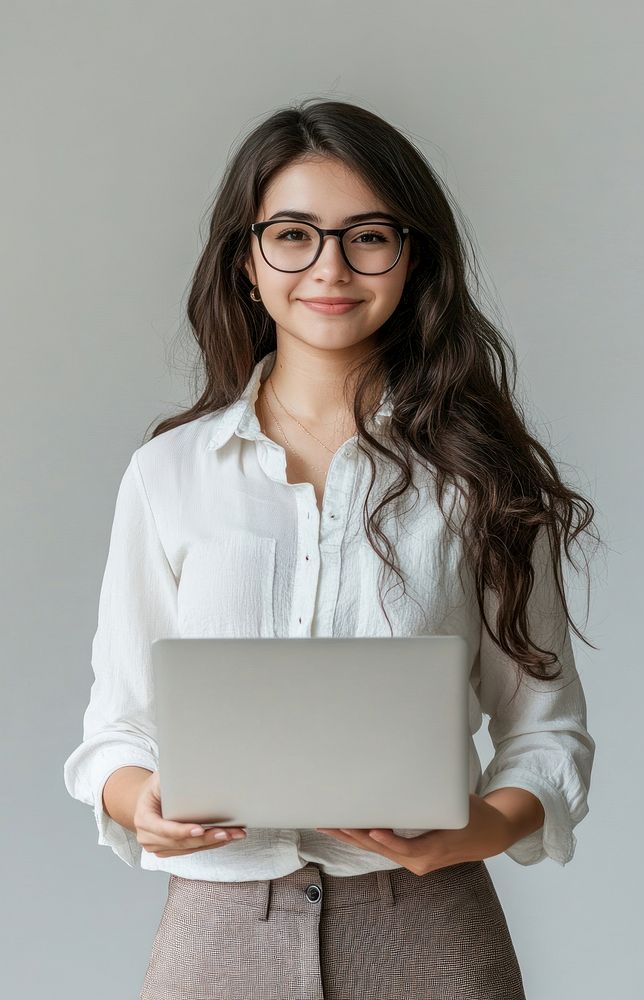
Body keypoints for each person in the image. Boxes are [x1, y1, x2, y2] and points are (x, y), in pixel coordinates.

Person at [63, 97, 598, 999]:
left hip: (426, 924)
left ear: (411, 256)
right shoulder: (170, 474)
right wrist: (136, 801)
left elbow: (545, 729)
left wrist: (476, 830)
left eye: (367, 236)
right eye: (294, 234)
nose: (330, 267)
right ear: (247, 259)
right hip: (219, 926)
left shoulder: (478, 475)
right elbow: (117, 725)